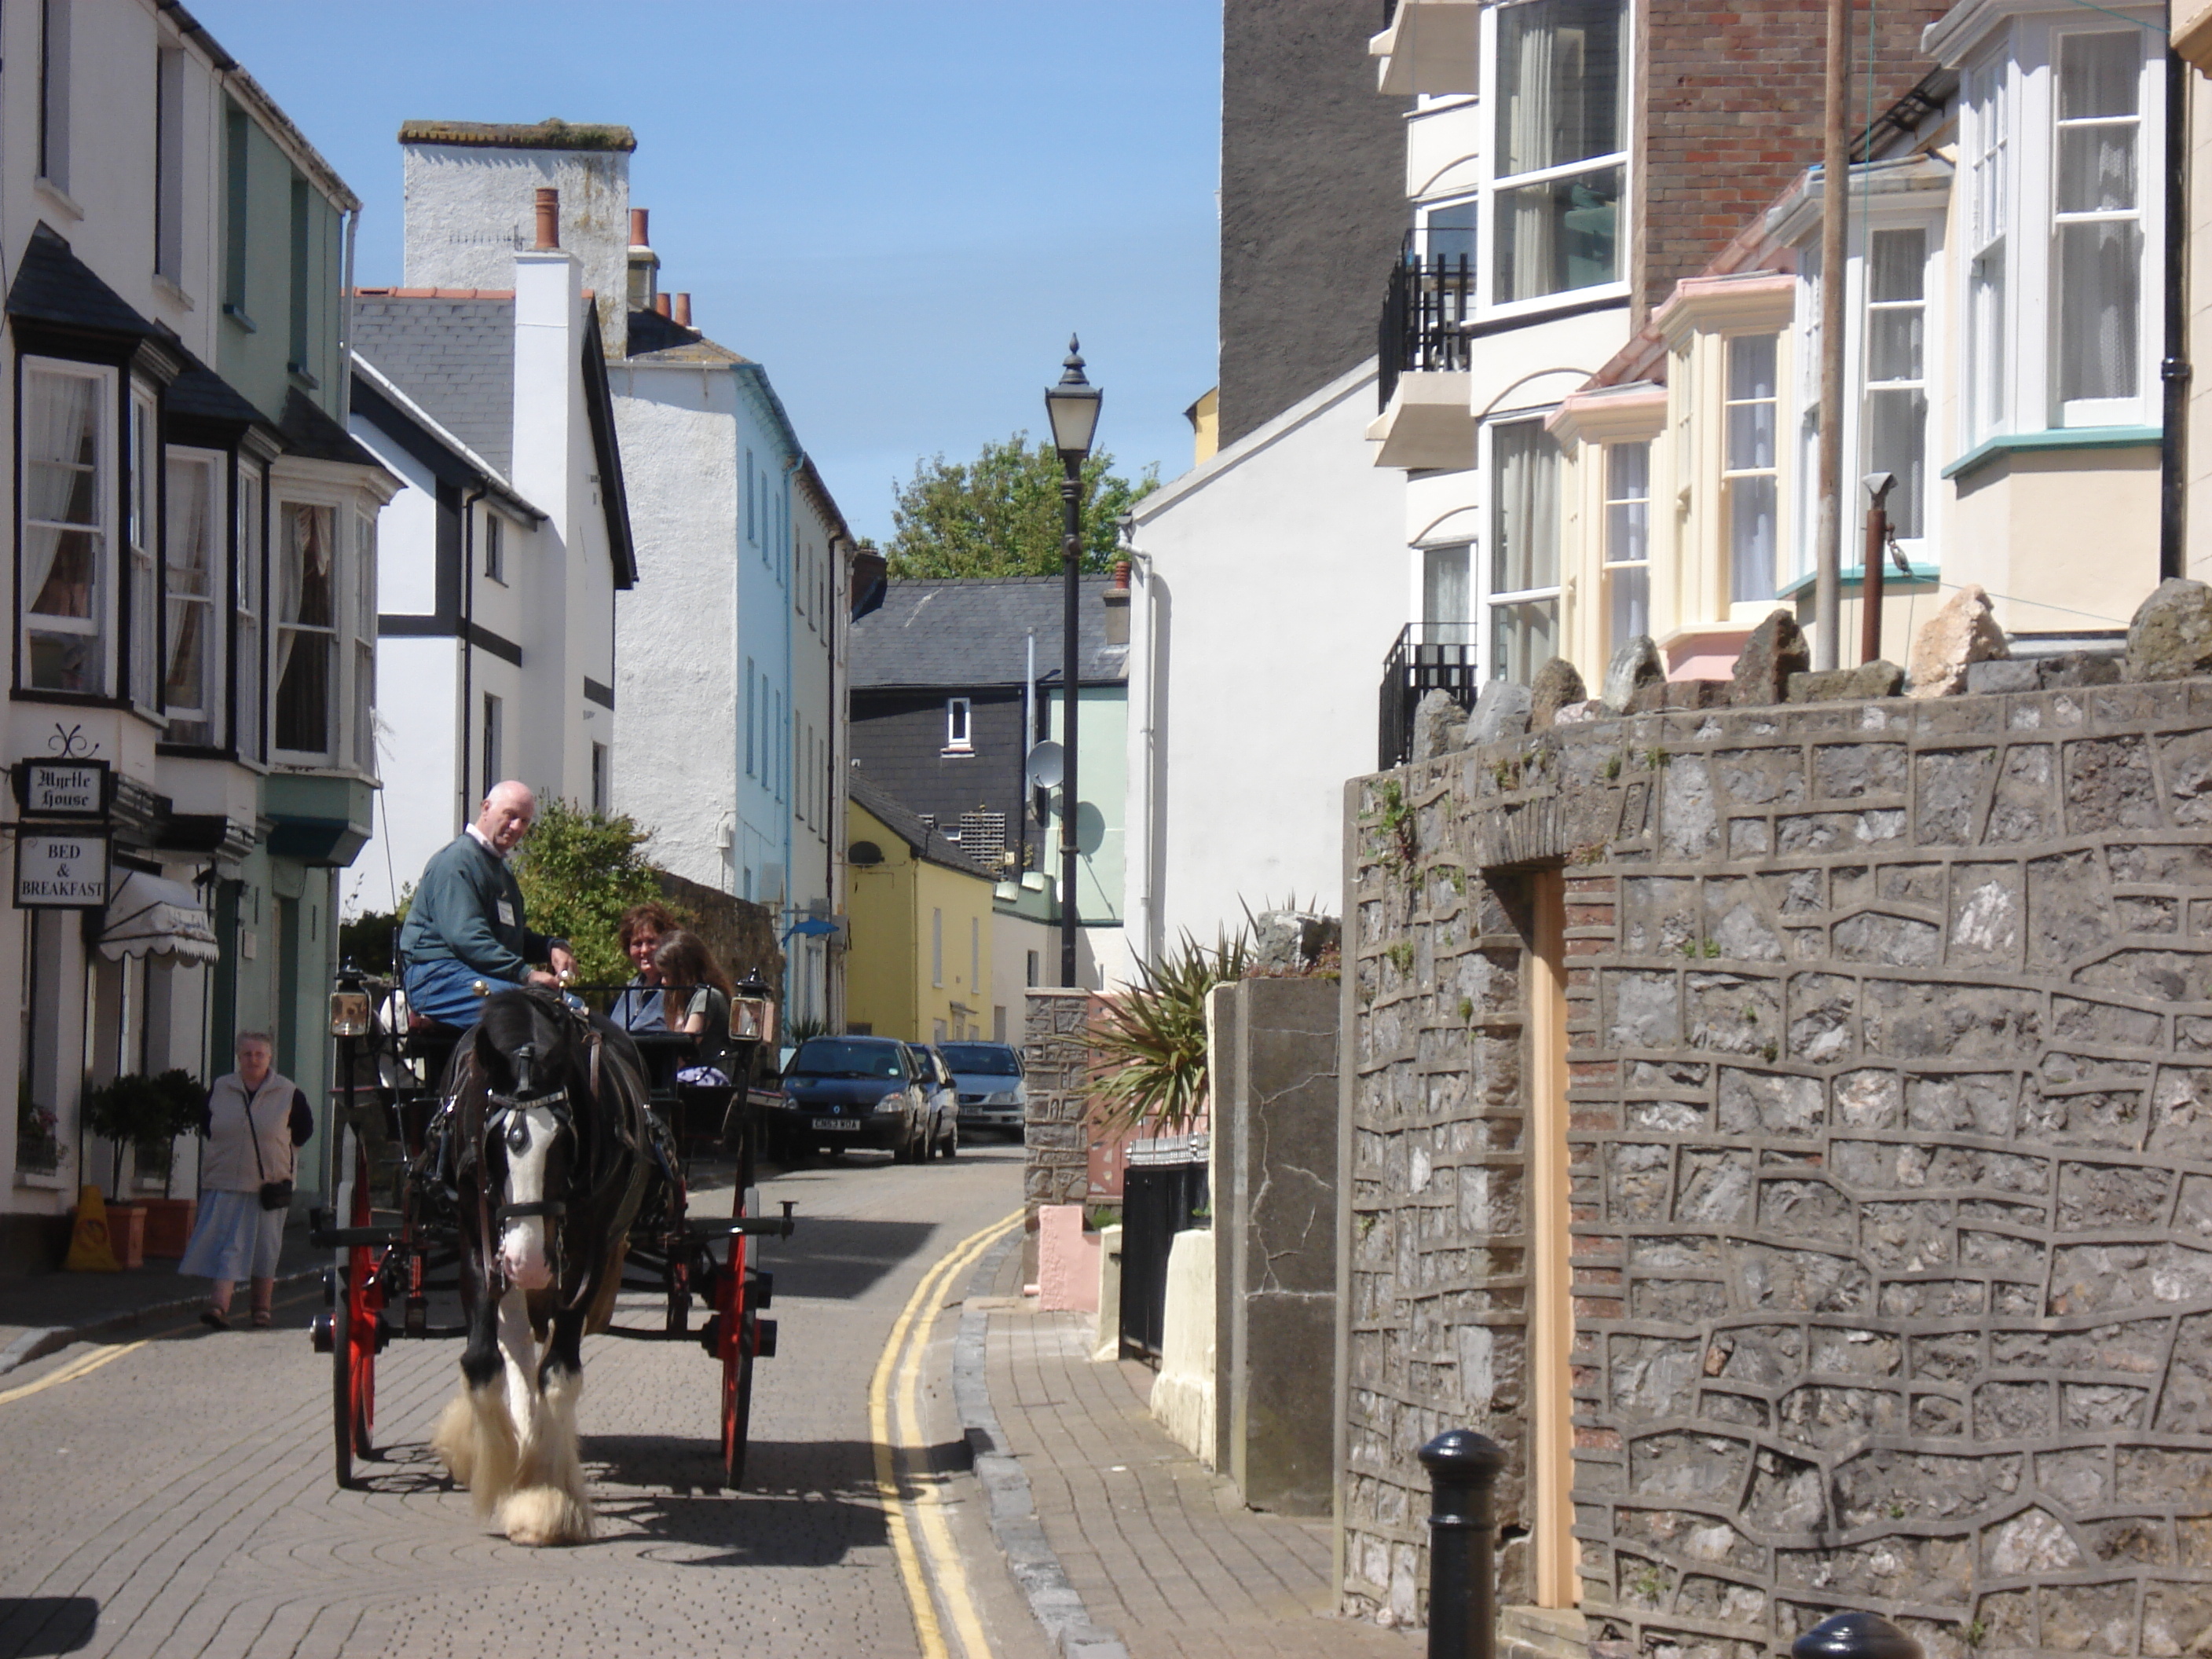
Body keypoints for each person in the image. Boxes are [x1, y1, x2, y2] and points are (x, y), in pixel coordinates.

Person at [397, 781, 576, 1025]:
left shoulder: (500, 868)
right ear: (486, 808)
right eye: (511, 816)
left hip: (480, 974)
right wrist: (527, 974)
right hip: (438, 978)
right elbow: (467, 938)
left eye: (524, 821)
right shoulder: (457, 862)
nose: (516, 827)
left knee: (573, 1009)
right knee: (531, 1014)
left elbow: (509, 938)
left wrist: (551, 946)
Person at [178, 1032, 312, 1330]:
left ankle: (261, 1309)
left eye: (260, 1054)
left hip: (269, 1185)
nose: (253, 1060)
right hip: (226, 1181)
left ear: (269, 1057)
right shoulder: (221, 1088)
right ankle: (218, 1306)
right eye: (247, 1054)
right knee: (230, 1245)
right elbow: (207, 1125)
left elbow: (303, 1130)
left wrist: (282, 1156)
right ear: (239, 1057)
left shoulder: (289, 1093)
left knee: (266, 1248)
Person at [655, 929, 733, 1080]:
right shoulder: (689, 999)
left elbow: (685, 1049)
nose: (663, 982)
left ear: (683, 972)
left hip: (707, 1074)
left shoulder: (706, 997)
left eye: (666, 975)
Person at [610, 901, 680, 1032]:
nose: (644, 950)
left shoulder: (676, 989)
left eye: (651, 942)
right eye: (637, 944)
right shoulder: (630, 990)